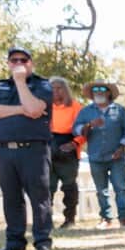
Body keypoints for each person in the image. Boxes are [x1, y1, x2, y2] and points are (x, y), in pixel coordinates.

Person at [0, 47, 53, 250]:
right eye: (13, 60)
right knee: (11, 198)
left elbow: (34, 109)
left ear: (31, 63)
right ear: (8, 63)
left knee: (39, 197)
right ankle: (14, 243)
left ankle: (42, 242)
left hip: (34, 149)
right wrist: (19, 109)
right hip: (6, 150)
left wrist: (21, 83)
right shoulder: (1, 86)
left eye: (23, 60)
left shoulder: (42, 85)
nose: (18, 63)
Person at [72, 81, 125, 228]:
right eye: (95, 90)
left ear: (108, 93)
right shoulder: (86, 111)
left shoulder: (120, 110)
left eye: (102, 89)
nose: (98, 92)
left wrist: (122, 147)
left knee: (120, 188)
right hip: (96, 157)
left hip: (116, 156)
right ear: (92, 94)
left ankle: (124, 218)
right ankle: (106, 219)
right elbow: (76, 130)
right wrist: (89, 125)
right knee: (101, 190)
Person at [48, 77, 85, 229]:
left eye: (59, 88)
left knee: (69, 186)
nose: (56, 91)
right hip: (48, 146)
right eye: (53, 88)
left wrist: (74, 143)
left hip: (68, 147)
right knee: (47, 186)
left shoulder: (76, 107)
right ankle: (46, 220)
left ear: (65, 89)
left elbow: (84, 130)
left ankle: (69, 219)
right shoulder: (45, 106)